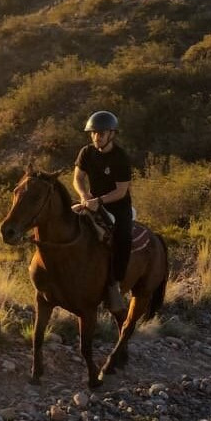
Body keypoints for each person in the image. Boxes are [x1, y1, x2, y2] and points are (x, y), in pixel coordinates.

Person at [72, 110, 133, 313]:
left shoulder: (120, 157)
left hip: (117, 205)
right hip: (91, 201)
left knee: (123, 237)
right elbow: (78, 178)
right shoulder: (86, 152)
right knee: (67, 221)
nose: (96, 136)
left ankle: (115, 284)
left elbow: (121, 190)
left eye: (101, 133)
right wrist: (83, 196)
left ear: (111, 134)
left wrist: (98, 201)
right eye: (93, 133)